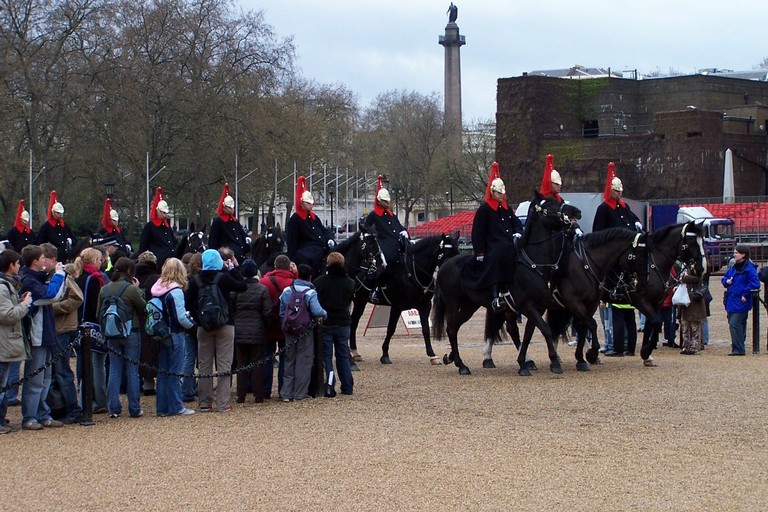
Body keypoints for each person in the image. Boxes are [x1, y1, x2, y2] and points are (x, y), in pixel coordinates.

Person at [186, 249, 247, 412]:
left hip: (203, 326)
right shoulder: (224, 278)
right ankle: (223, 402)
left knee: (204, 365)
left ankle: (205, 402)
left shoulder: (195, 281)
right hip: (225, 324)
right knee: (224, 365)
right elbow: (242, 286)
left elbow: (188, 305)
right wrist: (233, 269)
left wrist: (199, 319)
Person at [18, 245, 67, 430]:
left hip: (46, 332)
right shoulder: (28, 280)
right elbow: (50, 294)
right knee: (35, 378)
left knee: (45, 378)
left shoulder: (37, 278)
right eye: (41, 258)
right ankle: (30, 416)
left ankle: (42, 413)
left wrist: (60, 277)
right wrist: (59, 275)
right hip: (36, 334)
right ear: (35, 261)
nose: (44, 260)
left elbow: (56, 295)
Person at [470, 161, 523, 312]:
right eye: (499, 193)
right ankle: (495, 296)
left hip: (508, 243)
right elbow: (478, 232)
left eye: (502, 193)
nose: (501, 195)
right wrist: (479, 252)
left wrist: (518, 233)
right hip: (492, 246)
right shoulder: (485, 209)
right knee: (498, 255)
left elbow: (516, 223)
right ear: (492, 192)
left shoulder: (505, 208)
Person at [98, 257, 146, 418]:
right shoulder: (131, 289)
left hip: (111, 332)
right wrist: (138, 289)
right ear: (129, 271)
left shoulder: (104, 289)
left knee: (114, 369)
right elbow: (143, 307)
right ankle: (134, 408)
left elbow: (99, 313)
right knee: (132, 370)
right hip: (131, 330)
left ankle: (114, 408)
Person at [150, 258, 196, 416]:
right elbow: (181, 317)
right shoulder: (176, 291)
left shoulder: (157, 288)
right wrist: (193, 324)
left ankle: (162, 407)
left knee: (163, 371)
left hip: (162, 333)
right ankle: (176, 406)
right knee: (175, 371)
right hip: (175, 333)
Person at [278, 263, 326, 402]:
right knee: (303, 361)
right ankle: (300, 393)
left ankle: (286, 393)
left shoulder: (287, 290)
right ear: (310, 277)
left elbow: (282, 310)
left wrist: (285, 323)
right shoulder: (310, 292)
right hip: (305, 329)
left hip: (289, 329)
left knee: (289, 360)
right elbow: (317, 311)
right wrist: (325, 313)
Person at [0, 250, 33, 434]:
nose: (19, 266)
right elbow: (7, 315)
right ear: (11, 265)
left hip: (5, 339)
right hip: (3, 340)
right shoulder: (2, 287)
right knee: (1, 384)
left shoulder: (7, 286)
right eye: (17, 263)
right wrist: (25, 304)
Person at [314, 252, 355, 397]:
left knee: (327, 356)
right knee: (343, 355)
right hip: (343, 322)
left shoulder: (319, 282)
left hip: (326, 323)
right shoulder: (350, 282)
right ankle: (348, 385)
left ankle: (329, 385)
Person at [73, 247, 108, 413]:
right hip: (92, 324)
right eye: (99, 259)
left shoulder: (78, 276)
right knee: (96, 365)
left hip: (79, 324)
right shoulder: (94, 279)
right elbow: (96, 306)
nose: (101, 262)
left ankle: (84, 399)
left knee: (83, 364)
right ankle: (98, 400)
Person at [232, 259, 272, 404]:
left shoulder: (237, 289)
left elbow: (232, 307)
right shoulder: (262, 289)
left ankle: (241, 394)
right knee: (258, 364)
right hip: (257, 329)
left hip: (240, 328)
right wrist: (267, 326)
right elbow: (267, 312)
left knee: (241, 363)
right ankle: (258, 394)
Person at [365, 175, 409, 304]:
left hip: (397, 243)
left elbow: (399, 226)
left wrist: (405, 232)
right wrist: (373, 235)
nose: (387, 203)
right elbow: (367, 227)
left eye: (388, 201)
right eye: (384, 201)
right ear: (379, 201)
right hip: (383, 243)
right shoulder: (374, 215)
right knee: (384, 263)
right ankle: (376, 289)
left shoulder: (391, 215)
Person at [50, 261, 84, 425]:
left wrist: (53, 308)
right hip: (58, 328)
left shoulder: (62, 277)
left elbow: (77, 298)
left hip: (63, 328)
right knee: (56, 372)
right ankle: (59, 407)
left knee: (63, 371)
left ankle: (73, 409)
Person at [259, 254, 295, 398]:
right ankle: (283, 390)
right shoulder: (294, 282)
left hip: (268, 324)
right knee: (286, 359)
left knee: (266, 358)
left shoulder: (264, 282)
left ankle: (265, 389)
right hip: (287, 325)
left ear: (274, 266)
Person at [286, 176, 335, 278]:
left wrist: (330, 238)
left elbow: (323, 230)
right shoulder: (295, 219)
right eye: (308, 203)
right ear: (301, 203)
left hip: (321, 248)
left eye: (311, 203)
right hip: (306, 252)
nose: (311, 205)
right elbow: (291, 241)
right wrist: (291, 259)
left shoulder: (313, 217)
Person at [721, 245, 760, 356]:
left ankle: (738, 348)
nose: (734, 254)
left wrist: (745, 292)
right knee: (736, 323)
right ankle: (738, 346)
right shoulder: (733, 267)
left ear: (743, 254)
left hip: (741, 300)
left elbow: (755, 283)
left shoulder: (749, 268)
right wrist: (726, 281)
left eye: (736, 253)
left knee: (735, 323)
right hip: (731, 299)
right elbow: (724, 278)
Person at [135, 251, 161, 396]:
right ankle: (150, 384)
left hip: (136, 319)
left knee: (140, 352)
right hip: (153, 320)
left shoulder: (133, 278)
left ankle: (145, 384)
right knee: (153, 352)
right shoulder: (156, 279)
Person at [208, 183, 250, 264]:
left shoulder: (235, 221)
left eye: (233, 207)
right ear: (224, 208)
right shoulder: (218, 222)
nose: (232, 209)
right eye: (229, 207)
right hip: (226, 260)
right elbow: (213, 243)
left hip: (241, 257)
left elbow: (242, 235)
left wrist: (247, 240)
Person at [139, 187, 177, 270]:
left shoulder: (167, 227)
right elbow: (143, 246)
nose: (165, 215)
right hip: (157, 262)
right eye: (163, 212)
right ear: (157, 211)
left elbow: (174, 242)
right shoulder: (150, 227)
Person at [181, 253, 202, 402]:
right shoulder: (204, 281)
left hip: (189, 322)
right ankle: (202, 388)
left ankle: (187, 389)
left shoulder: (185, 283)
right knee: (203, 359)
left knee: (189, 357)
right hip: (202, 322)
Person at [36, 191, 76, 263]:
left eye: (61, 213)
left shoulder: (65, 226)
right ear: (53, 212)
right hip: (52, 259)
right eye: (58, 213)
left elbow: (74, 239)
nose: (60, 215)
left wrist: (71, 241)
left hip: (66, 258)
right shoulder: (46, 227)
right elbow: (39, 243)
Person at [678, 268, 706, 355]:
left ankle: (694, 346)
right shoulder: (683, 267)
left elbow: (698, 277)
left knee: (694, 325)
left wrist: (683, 278)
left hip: (694, 300)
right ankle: (686, 345)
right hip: (684, 301)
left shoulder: (697, 267)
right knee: (684, 325)